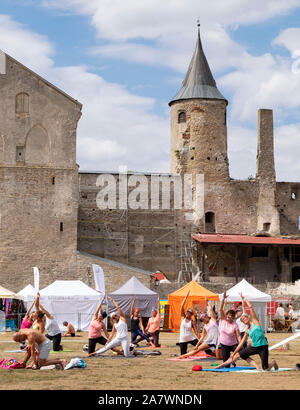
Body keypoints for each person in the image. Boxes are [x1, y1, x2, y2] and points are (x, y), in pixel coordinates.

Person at [215, 294, 278, 371]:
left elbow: (251, 308)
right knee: (240, 354)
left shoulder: (255, 322)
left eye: (244, 318)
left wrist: (245, 299)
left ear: (248, 317)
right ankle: (222, 365)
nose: (244, 320)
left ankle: (273, 363)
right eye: (242, 320)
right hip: (255, 347)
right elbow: (241, 342)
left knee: (265, 368)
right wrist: (235, 352)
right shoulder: (246, 330)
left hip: (263, 347)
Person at [218, 291, 242, 367]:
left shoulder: (235, 324)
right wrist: (223, 299)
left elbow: (238, 335)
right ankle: (230, 362)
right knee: (226, 365)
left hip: (233, 344)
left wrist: (240, 344)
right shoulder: (223, 320)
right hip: (224, 344)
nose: (227, 317)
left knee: (242, 352)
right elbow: (220, 309)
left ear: (233, 317)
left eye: (229, 317)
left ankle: (233, 360)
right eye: (227, 316)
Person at [178, 290, 200, 356]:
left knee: (202, 346)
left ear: (191, 314)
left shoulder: (192, 322)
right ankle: (188, 352)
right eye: (187, 312)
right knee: (183, 355)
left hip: (191, 338)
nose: (188, 313)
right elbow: (181, 307)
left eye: (190, 313)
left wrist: (201, 339)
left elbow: (196, 332)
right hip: (182, 339)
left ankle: (213, 353)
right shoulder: (183, 317)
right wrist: (185, 298)